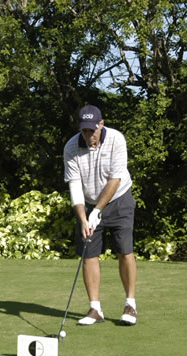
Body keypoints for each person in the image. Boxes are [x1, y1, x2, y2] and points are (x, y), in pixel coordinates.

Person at [63, 104, 138, 326]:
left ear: (101, 125)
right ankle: (95, 309)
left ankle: (130, 305)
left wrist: (97, 211)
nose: (89, 136)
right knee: (88, 253)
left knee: (124, 250)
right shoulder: (71, 147)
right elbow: (75, 186)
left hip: (119, 200)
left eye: (92, 131)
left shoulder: (116, 139)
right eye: (84, 131)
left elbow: (115, 180)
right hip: (88, 203)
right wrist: (84, 217)